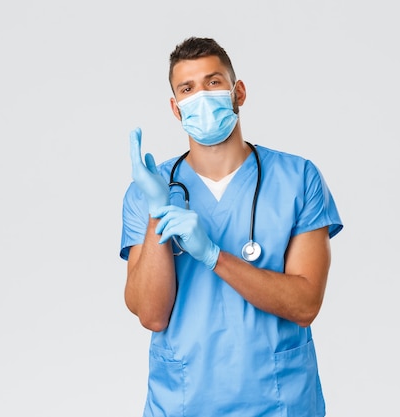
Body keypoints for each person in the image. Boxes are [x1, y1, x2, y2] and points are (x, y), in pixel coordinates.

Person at [119, 36, 343, 416]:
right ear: (176, 108)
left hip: (280, 401)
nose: (201, 96)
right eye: (187, 89)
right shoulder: (149, 190)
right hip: (185, 401)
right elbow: (152, 315)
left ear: (238, 91)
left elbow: (305, 304)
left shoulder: (297, 178)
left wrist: (211, 255)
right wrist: (158, 211)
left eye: (213, 82)